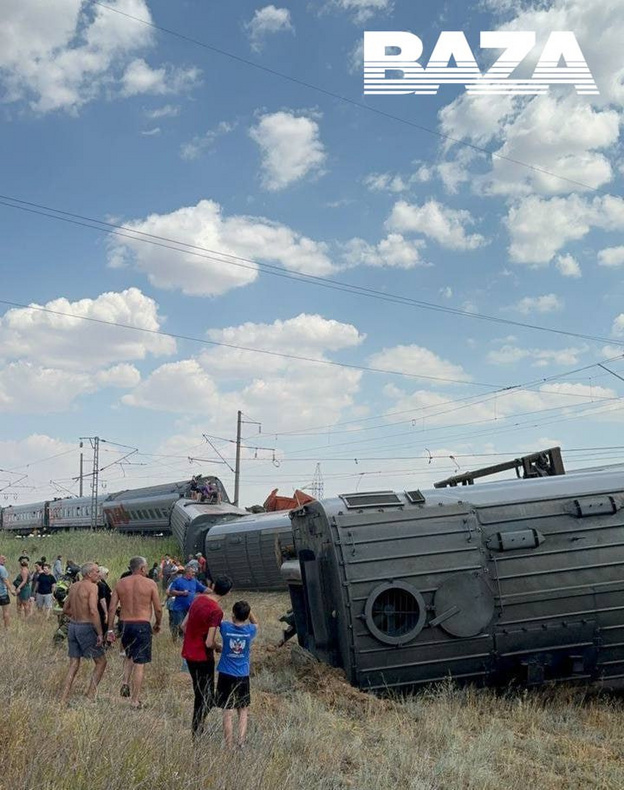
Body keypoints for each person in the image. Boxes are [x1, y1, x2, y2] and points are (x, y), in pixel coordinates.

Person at [180, 575, 233, 737]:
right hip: (203, 657)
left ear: (213, 585)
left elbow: (183, 626)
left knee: (199, 692)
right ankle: (197, 729)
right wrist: (219, 647)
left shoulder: (198, 600)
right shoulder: (216, 610)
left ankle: (198, 728)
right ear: (228, 593)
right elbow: (209, 642)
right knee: (207, 696)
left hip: (188, 653)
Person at [107, 556, 162, 709]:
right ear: (143, 568)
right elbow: (158, 608)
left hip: (125, 623)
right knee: (140, 662)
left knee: (129, 654)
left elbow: (112, 608)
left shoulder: (121, 583)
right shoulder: (150, 583)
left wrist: (110, 628)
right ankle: (135, 700)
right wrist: (157, 623)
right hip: (142, 623)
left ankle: (125, 682)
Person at [60, 562, 107, 704]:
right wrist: (99, 633)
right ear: (88, 574)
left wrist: (78, 615)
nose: (99, 574)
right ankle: (90, 695)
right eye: (97, 571)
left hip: (73, 626)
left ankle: (64, 697)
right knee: (101, 662)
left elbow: (65, 609)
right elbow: (93, 610)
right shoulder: (93, 587)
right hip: (85, 627)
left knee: (74, 663)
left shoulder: (74, 586)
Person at [216, 601, 258, 749]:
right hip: (242, 675)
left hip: (226, 674)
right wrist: (249, 611)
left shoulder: (226, 628)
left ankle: (229, 745)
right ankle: (241, 742)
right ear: (246, 616)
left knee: (228, 712)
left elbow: (216, 620)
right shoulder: (250, 631)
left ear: (233, 614)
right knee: (243, 709)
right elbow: (256, 623)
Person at [167, 563, 206, 642]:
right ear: (187, 572)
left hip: (190, 608)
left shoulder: (194, 581)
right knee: (178, 624)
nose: (194, 574)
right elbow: (170, 591)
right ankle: (175, 639)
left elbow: (203, 589)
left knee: (187, 625)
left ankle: (185, 639)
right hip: (179, 608)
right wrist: (182, 593)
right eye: (192, 572)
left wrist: (215, 592)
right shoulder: (177, 581)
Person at [0, 555, 15, 628]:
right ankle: (7, 628)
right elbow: (5, 580)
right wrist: (11, 590)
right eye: (3, 559)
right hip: (2, 593)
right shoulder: (2, 568)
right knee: (6, 612)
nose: (4, 561)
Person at [97, 567, 112, 637]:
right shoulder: (101, 584)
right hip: (102, 609)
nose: (107, 576)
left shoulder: (102, 582)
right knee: (104, 626)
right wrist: (106, 612)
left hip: (102, 608)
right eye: (106, 574)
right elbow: (102, 599)